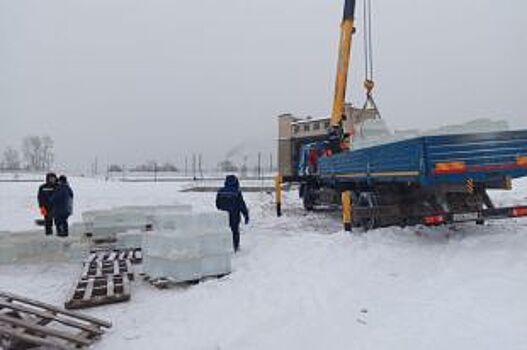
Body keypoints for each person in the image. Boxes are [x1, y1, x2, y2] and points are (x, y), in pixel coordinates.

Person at [216, 175, 249, 252]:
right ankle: (235, 247)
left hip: (223, 216)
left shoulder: (220, 191)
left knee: (225, 231)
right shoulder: (237, 192)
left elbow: (217, 204)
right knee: (235, 231)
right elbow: (242, 205)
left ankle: (224, 246)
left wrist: (223, 208)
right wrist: (246, 215)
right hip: (235, 215)